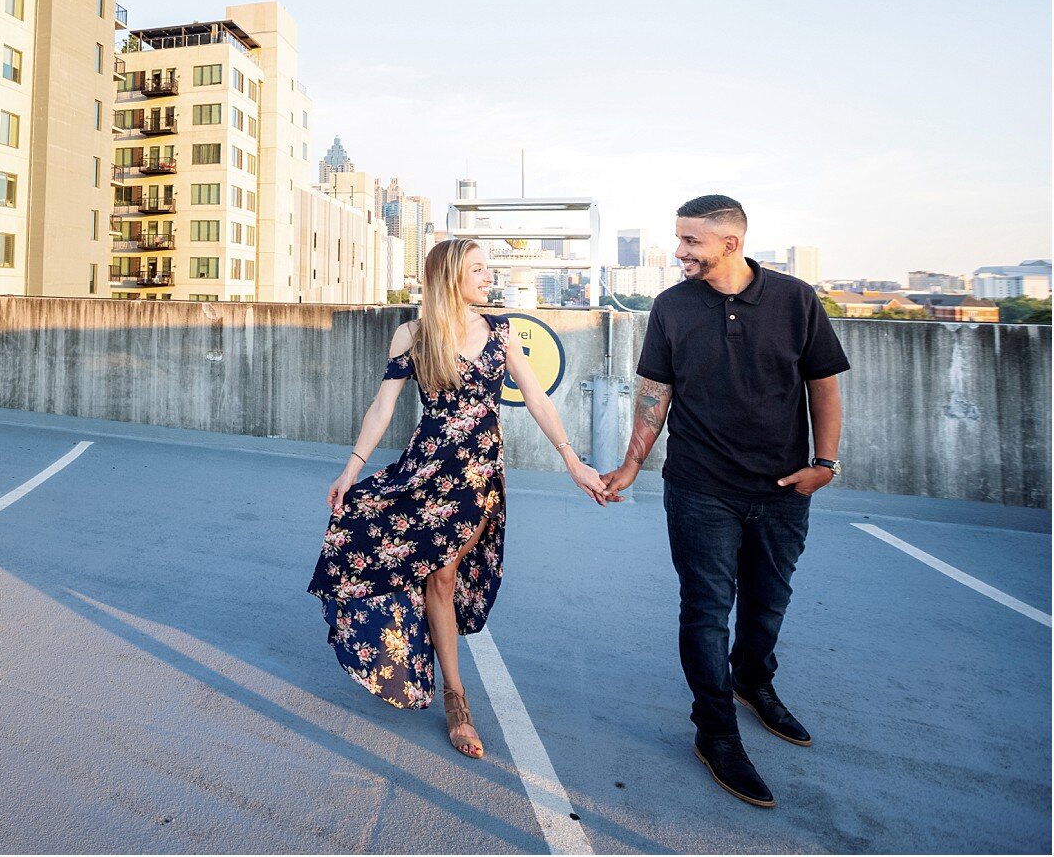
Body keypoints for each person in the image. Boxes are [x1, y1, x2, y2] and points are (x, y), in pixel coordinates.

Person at [307, 238, 609, 759]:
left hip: (478, 478)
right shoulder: (413, 336)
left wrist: (572, 460)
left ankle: (445, 681)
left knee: (444, 572)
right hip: (425, 470)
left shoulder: (500, 333)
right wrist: (350, 470)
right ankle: (456, 695)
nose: (488, 277)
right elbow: (382, 407)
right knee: (422, 567)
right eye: (478, 269)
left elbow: (535, 396)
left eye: (488, 269)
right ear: (450, 277)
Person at [602, 195, 849, 809]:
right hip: (698, 488)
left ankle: (753, 680)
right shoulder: (671, 307)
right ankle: (715, 731)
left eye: (691, 242)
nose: (679, 251)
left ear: (731, 243)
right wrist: (632, 464)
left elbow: (823, 384)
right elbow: (654, 393)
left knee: (769, 602)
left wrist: (825, 463)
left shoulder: (794, 300)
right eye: (678, 239)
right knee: (707, 609)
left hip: (783, 488)